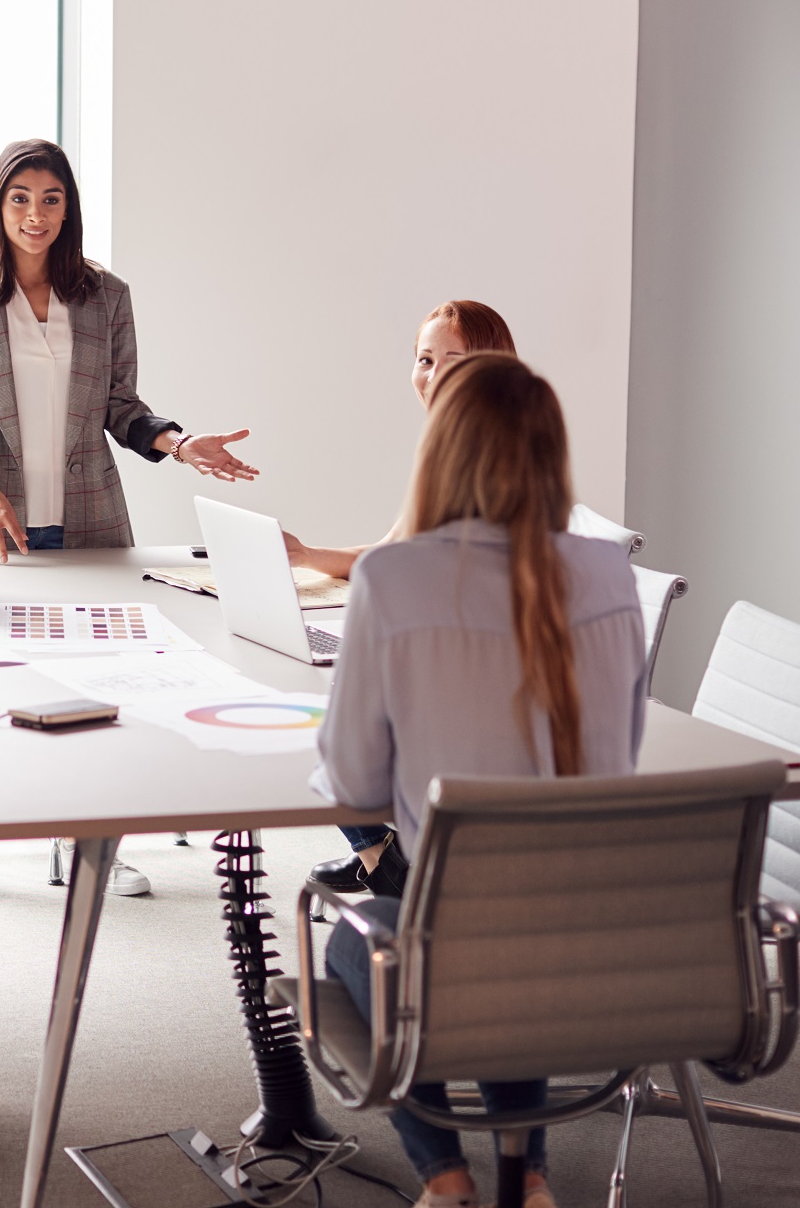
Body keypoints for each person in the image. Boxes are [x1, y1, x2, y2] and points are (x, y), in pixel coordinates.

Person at [312, 353, 647, 1208]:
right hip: (601, 945)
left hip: (458, 950)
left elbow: (351, 778)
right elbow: (622, 757)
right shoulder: (611, 576)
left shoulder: (392, 577)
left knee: (357, 937)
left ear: (440, 450)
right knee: (517, 924)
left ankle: (449, 1178)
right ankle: (526, 1179)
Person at [0, 137, 262, 902]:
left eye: (51, 199)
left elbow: (120, 407)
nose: (35, 215)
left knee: (94, 681)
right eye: (20, 198)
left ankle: (89, 844)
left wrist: (177, 442)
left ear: (68, 208)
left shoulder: (106, 297)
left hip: (88, 517)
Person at [289, 301, 518, 902]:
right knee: (315, 694)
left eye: (454, 361)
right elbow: (392, 552)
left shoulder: (498, 456)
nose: (434, 374)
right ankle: (387, 853)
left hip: (479, 672)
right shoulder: (447, 445)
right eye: (424, 360)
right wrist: (305, 553)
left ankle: (384, 860)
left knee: (322, 719)